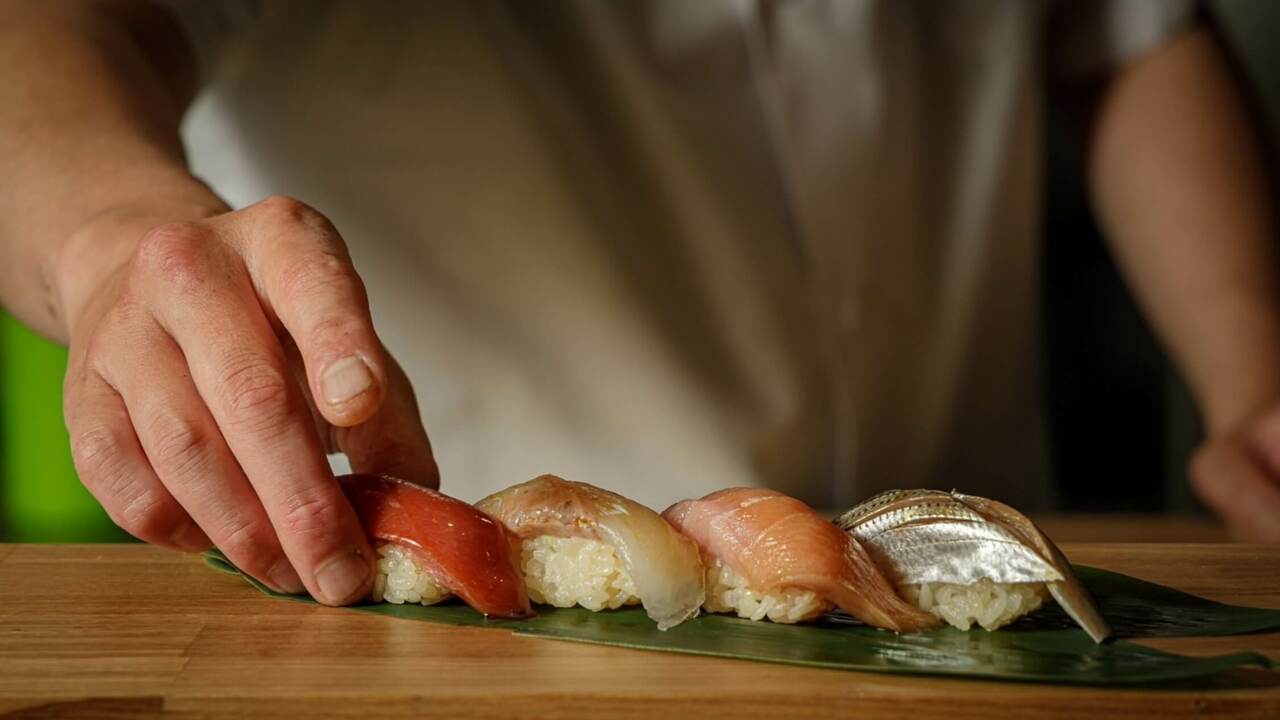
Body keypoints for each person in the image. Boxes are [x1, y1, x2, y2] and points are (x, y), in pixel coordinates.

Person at [1, 0, 1277, 606]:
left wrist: (1253, 376)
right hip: (490, 600)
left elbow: (1123, 35)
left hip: (970, 555)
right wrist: (112, 235)